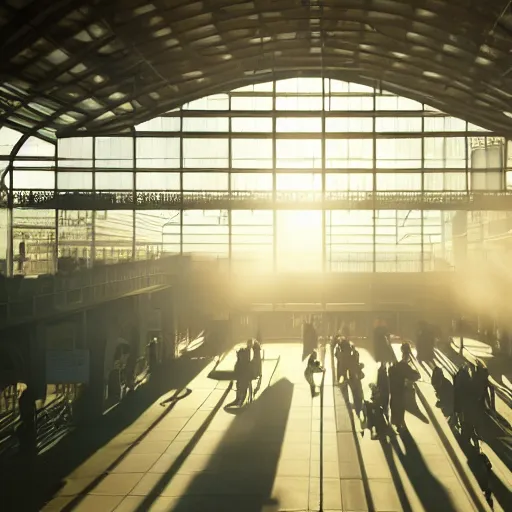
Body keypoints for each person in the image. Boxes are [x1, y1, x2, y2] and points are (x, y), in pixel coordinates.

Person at [388, 342, 420, 431]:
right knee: (400, 405)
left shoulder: (398, 364)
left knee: (394, 404)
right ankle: (399, 423)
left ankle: (396, 422)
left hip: (393, 388)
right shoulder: (404, 365)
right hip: (399, 389)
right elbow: (415, 375)